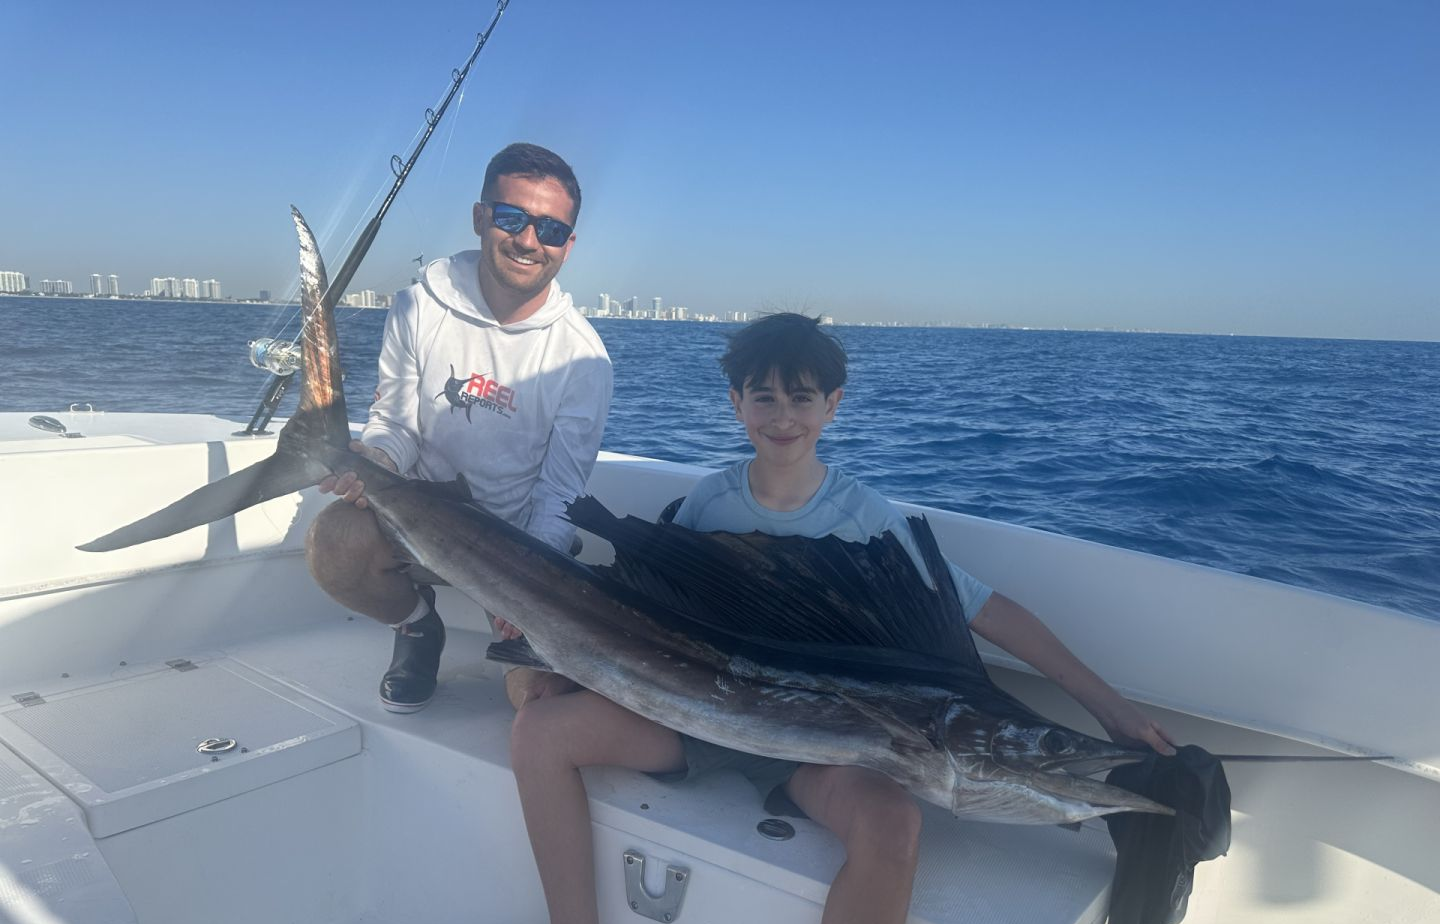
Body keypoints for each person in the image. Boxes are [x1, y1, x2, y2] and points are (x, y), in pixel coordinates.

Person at [507, 312, 1176, 924]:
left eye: (802, 397)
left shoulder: (868, 518)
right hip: (690, 716)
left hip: (816, 751)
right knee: (539, 727)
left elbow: (990, 612)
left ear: (833, 406)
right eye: (763, 396)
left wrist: (1111, 712)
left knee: (893, 826)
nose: (782, 415)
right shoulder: (710, 500)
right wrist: (561, 669)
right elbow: (642, 610)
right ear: (736, 404)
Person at [306, 142, 612, 713]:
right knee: (332, 544)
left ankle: (510, 632)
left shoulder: (584, 359)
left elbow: (559, 495)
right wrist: (378, 459)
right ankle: (419, 627)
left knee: (537, 697)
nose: (528, 240)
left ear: (568, 245)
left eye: (549, 228)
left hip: (517, 547)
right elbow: (395, 423)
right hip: (418, 523)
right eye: (512, 217)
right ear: (481, 217)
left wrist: (523, 590)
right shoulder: (418, 307)